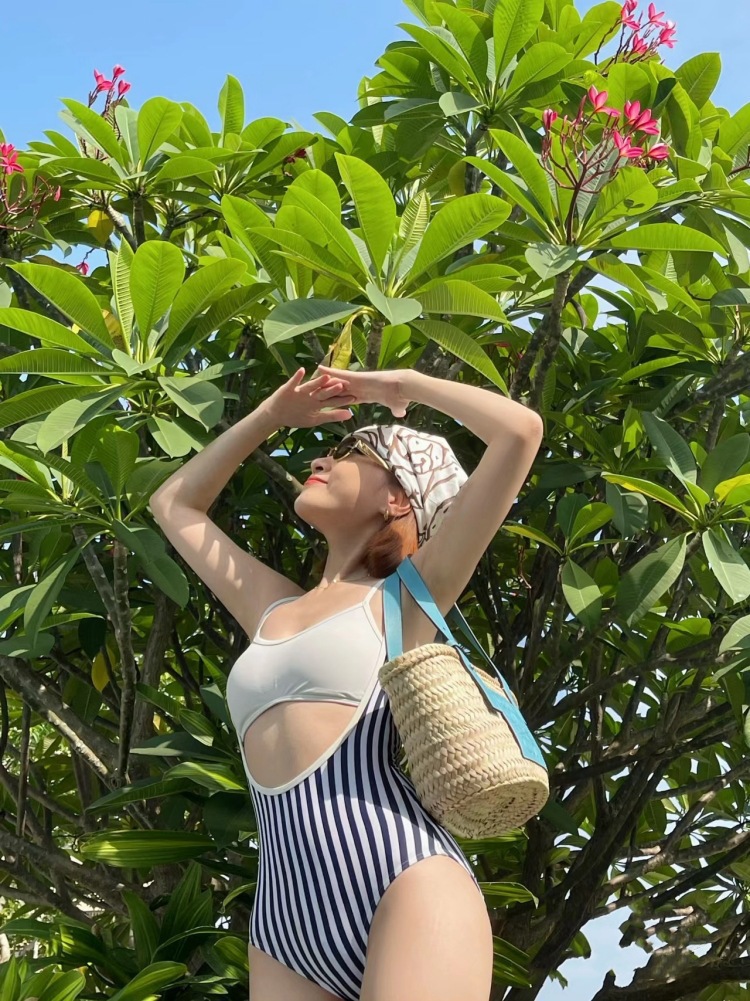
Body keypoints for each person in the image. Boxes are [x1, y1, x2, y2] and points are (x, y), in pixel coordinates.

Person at [149, 363, 543, 1001]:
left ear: (398, 498)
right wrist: (270, 416)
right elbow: (172, 505)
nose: (322, 461)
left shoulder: (410, 595)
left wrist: (399, 386)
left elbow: (520, 431)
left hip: (405, 883)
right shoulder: (272, 607)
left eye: (350, 454)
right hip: (283, 923)